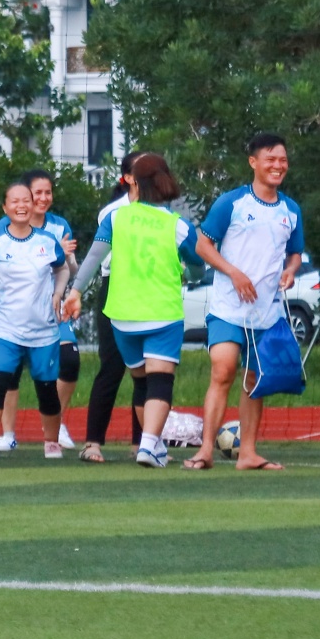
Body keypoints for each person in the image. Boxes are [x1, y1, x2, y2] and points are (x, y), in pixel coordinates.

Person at [63, 153, 202, 468]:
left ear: (134, 183)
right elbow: (196, 267)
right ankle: (148, 445)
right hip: (162, 313)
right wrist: (189, 274)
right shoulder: (178, 226)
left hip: (122, 316)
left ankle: (153, 447)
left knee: (141, 380)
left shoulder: (115, 218)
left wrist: (75, 292)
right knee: (160, 380)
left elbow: (93, 258)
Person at [183, 134, 303, 471]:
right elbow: (203, 245)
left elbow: (295, 253)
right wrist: (234, 273)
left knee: (255, 380)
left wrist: (291, 271)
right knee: (222, 370)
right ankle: (205, 450)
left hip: (267, 313)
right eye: (270, 159)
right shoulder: (231, 203)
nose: (278, 165)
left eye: (282, 160)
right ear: (253, 162)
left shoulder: (291, 210)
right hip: (228, 308)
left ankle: (248, 453)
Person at [0, 182, 71, 461]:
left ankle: (51, 442)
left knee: (47, 388)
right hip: (5, 329)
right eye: (15, 201)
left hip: (44, 330)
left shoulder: (47, 242)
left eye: (26, 200)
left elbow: (62, 269)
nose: (21, 206)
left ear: (33, 205)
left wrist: (58, 293)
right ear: (5, 207)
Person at [0, 168, 78, 451]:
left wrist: (67, 258)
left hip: (51, 308)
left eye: (47, 192)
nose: (43, 198)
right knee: (10, 370)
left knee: (70, 360)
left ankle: (57, 423)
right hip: (16, 310)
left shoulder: (59, 225)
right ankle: (8, 434)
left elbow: (70, 270)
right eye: (37, 193)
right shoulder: (5, 225)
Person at [78, 152, 146, 464]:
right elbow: (98, 258)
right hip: (116, 287)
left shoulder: (164, 212)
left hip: (150, 292)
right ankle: (92, 443)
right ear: (129, 177)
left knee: (148, 370)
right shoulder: (113, 213)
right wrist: (75, 292)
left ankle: (143, 444)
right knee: (112, 367)